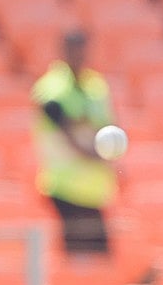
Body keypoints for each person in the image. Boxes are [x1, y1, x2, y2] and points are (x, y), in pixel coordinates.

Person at [31, 30, 119, 257]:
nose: (79, 55)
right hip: (64, 189)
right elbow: (64, 128)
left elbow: (104, 126)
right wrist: (95, 155)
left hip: (95, 190)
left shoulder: (96, 86)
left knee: (100, 259)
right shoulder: (51, 88)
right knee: (79, 261)